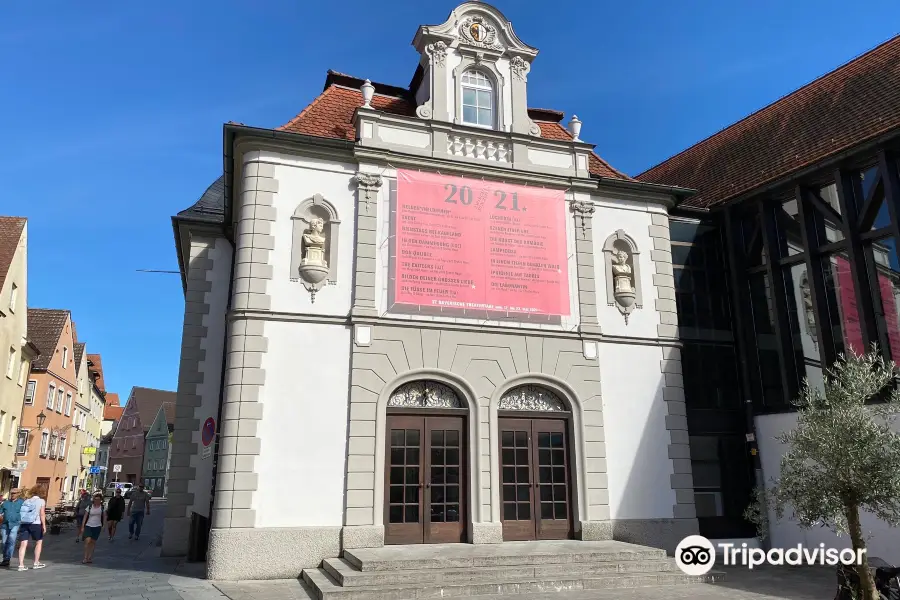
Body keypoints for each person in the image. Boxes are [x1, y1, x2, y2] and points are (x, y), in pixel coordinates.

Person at [17, 485, 47, 571]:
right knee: (39, 542)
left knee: (23, 544)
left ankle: (21, 565)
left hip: (24, 523)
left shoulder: (27, 500)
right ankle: (36, 562)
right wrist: (44, 525)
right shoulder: (41, 501)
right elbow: (42, 514)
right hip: (36, 524)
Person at [79, 492, 105, 564]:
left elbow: (105, 517)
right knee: (87, 541)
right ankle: (85, 557)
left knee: (93, 542)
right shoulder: (90, 507)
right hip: (89, 525)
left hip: (97, 526)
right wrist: (82, 526)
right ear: (93, 500)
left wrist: (103, 526)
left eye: (98, 500)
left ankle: (89, 557)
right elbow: (85, 516)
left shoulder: (102, 507)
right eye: (95, 499)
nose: (97, 501)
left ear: (101, 500)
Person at [0, 489, 23, 566]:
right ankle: (5, 557)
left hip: (15, 524)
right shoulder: (6, 503)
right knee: (3, 542)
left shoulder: (21, 503)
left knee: (11, 541)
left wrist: (20, 520)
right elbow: (0, 511)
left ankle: (7, 559)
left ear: (18, 494)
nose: (12, 494)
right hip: (5, 525)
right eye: (11, 493)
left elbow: (25, 512)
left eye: (14, 493)